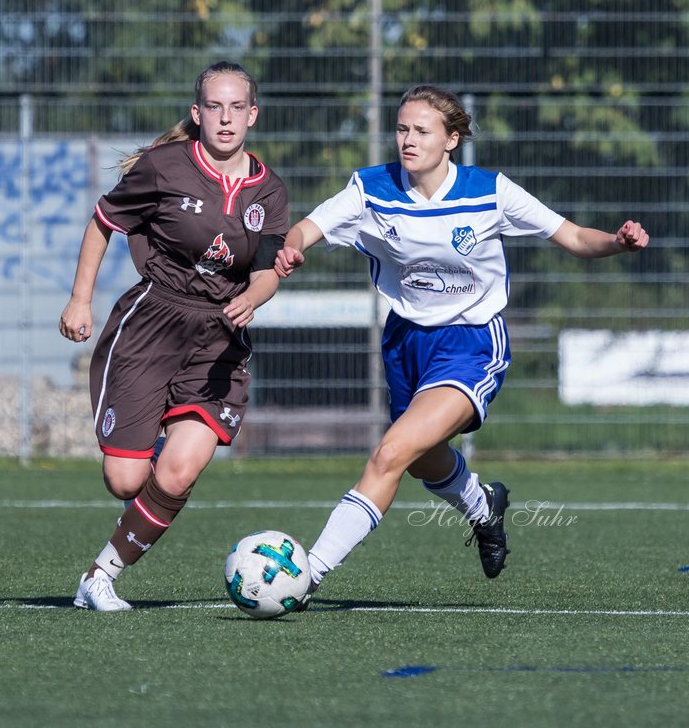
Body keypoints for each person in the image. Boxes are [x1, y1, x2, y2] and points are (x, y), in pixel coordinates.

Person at [275, 85, 649, 600]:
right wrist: (292, 251)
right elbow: (305, 229)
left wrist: (617, 242)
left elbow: (575, 238)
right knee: (425, 460)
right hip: (406, 341)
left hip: (472, 342)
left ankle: (306, 575)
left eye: (421, 131)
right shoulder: (370, 189)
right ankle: (482, 506)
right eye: (402, 129)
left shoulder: (489, 191)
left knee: (391, 453)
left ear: (451, 139)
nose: (408, 140)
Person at [60, 61, 290, 611]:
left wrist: (255, 296)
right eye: (215, 106)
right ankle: (153, 452)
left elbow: (264, 269)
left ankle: (100, 576)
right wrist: (79, 299)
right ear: (198, 113)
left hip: (217, 340)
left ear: (253, 115)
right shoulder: (165, 167)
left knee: (180, 471)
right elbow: (103, 221)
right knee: (124, 479)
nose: (226, 118)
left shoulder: (271, 192)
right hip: (152, 324)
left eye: (238, 107)